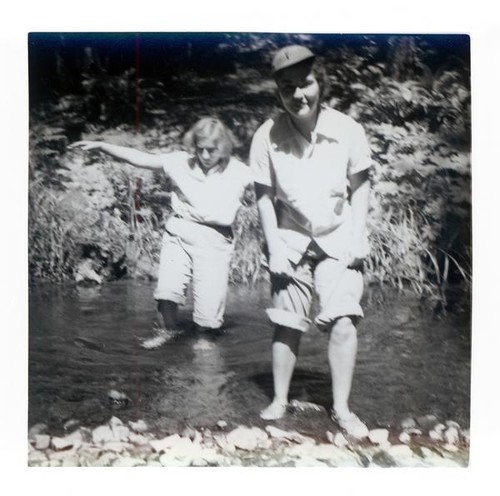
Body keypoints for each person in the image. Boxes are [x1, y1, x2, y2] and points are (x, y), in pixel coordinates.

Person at [250, 45, 372, 438]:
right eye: (288, 88)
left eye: (305, 83)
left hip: (339, 236)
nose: (298, 94)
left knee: (343, 321)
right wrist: (275, 251)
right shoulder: (265, 136)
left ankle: (341, 408)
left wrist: (357, 237)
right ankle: (280, 400)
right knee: (286, 323)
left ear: (321, 82)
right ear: (278, 93)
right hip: (291, 237)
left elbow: (361, 188)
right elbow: (264, 198)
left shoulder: (349, 130)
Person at [69, 117, 253, 349]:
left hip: (215, 240)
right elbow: (141, 159)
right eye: (200, 149)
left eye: (211, 150)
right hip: (179, 232)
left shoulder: (240, 172)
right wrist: (103, 146)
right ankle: (167, 331)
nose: (205, 156)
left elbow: (274, 186)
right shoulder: (180, 162)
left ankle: (205, 345)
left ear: (224, 147)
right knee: (168, 291)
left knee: (208, 314)